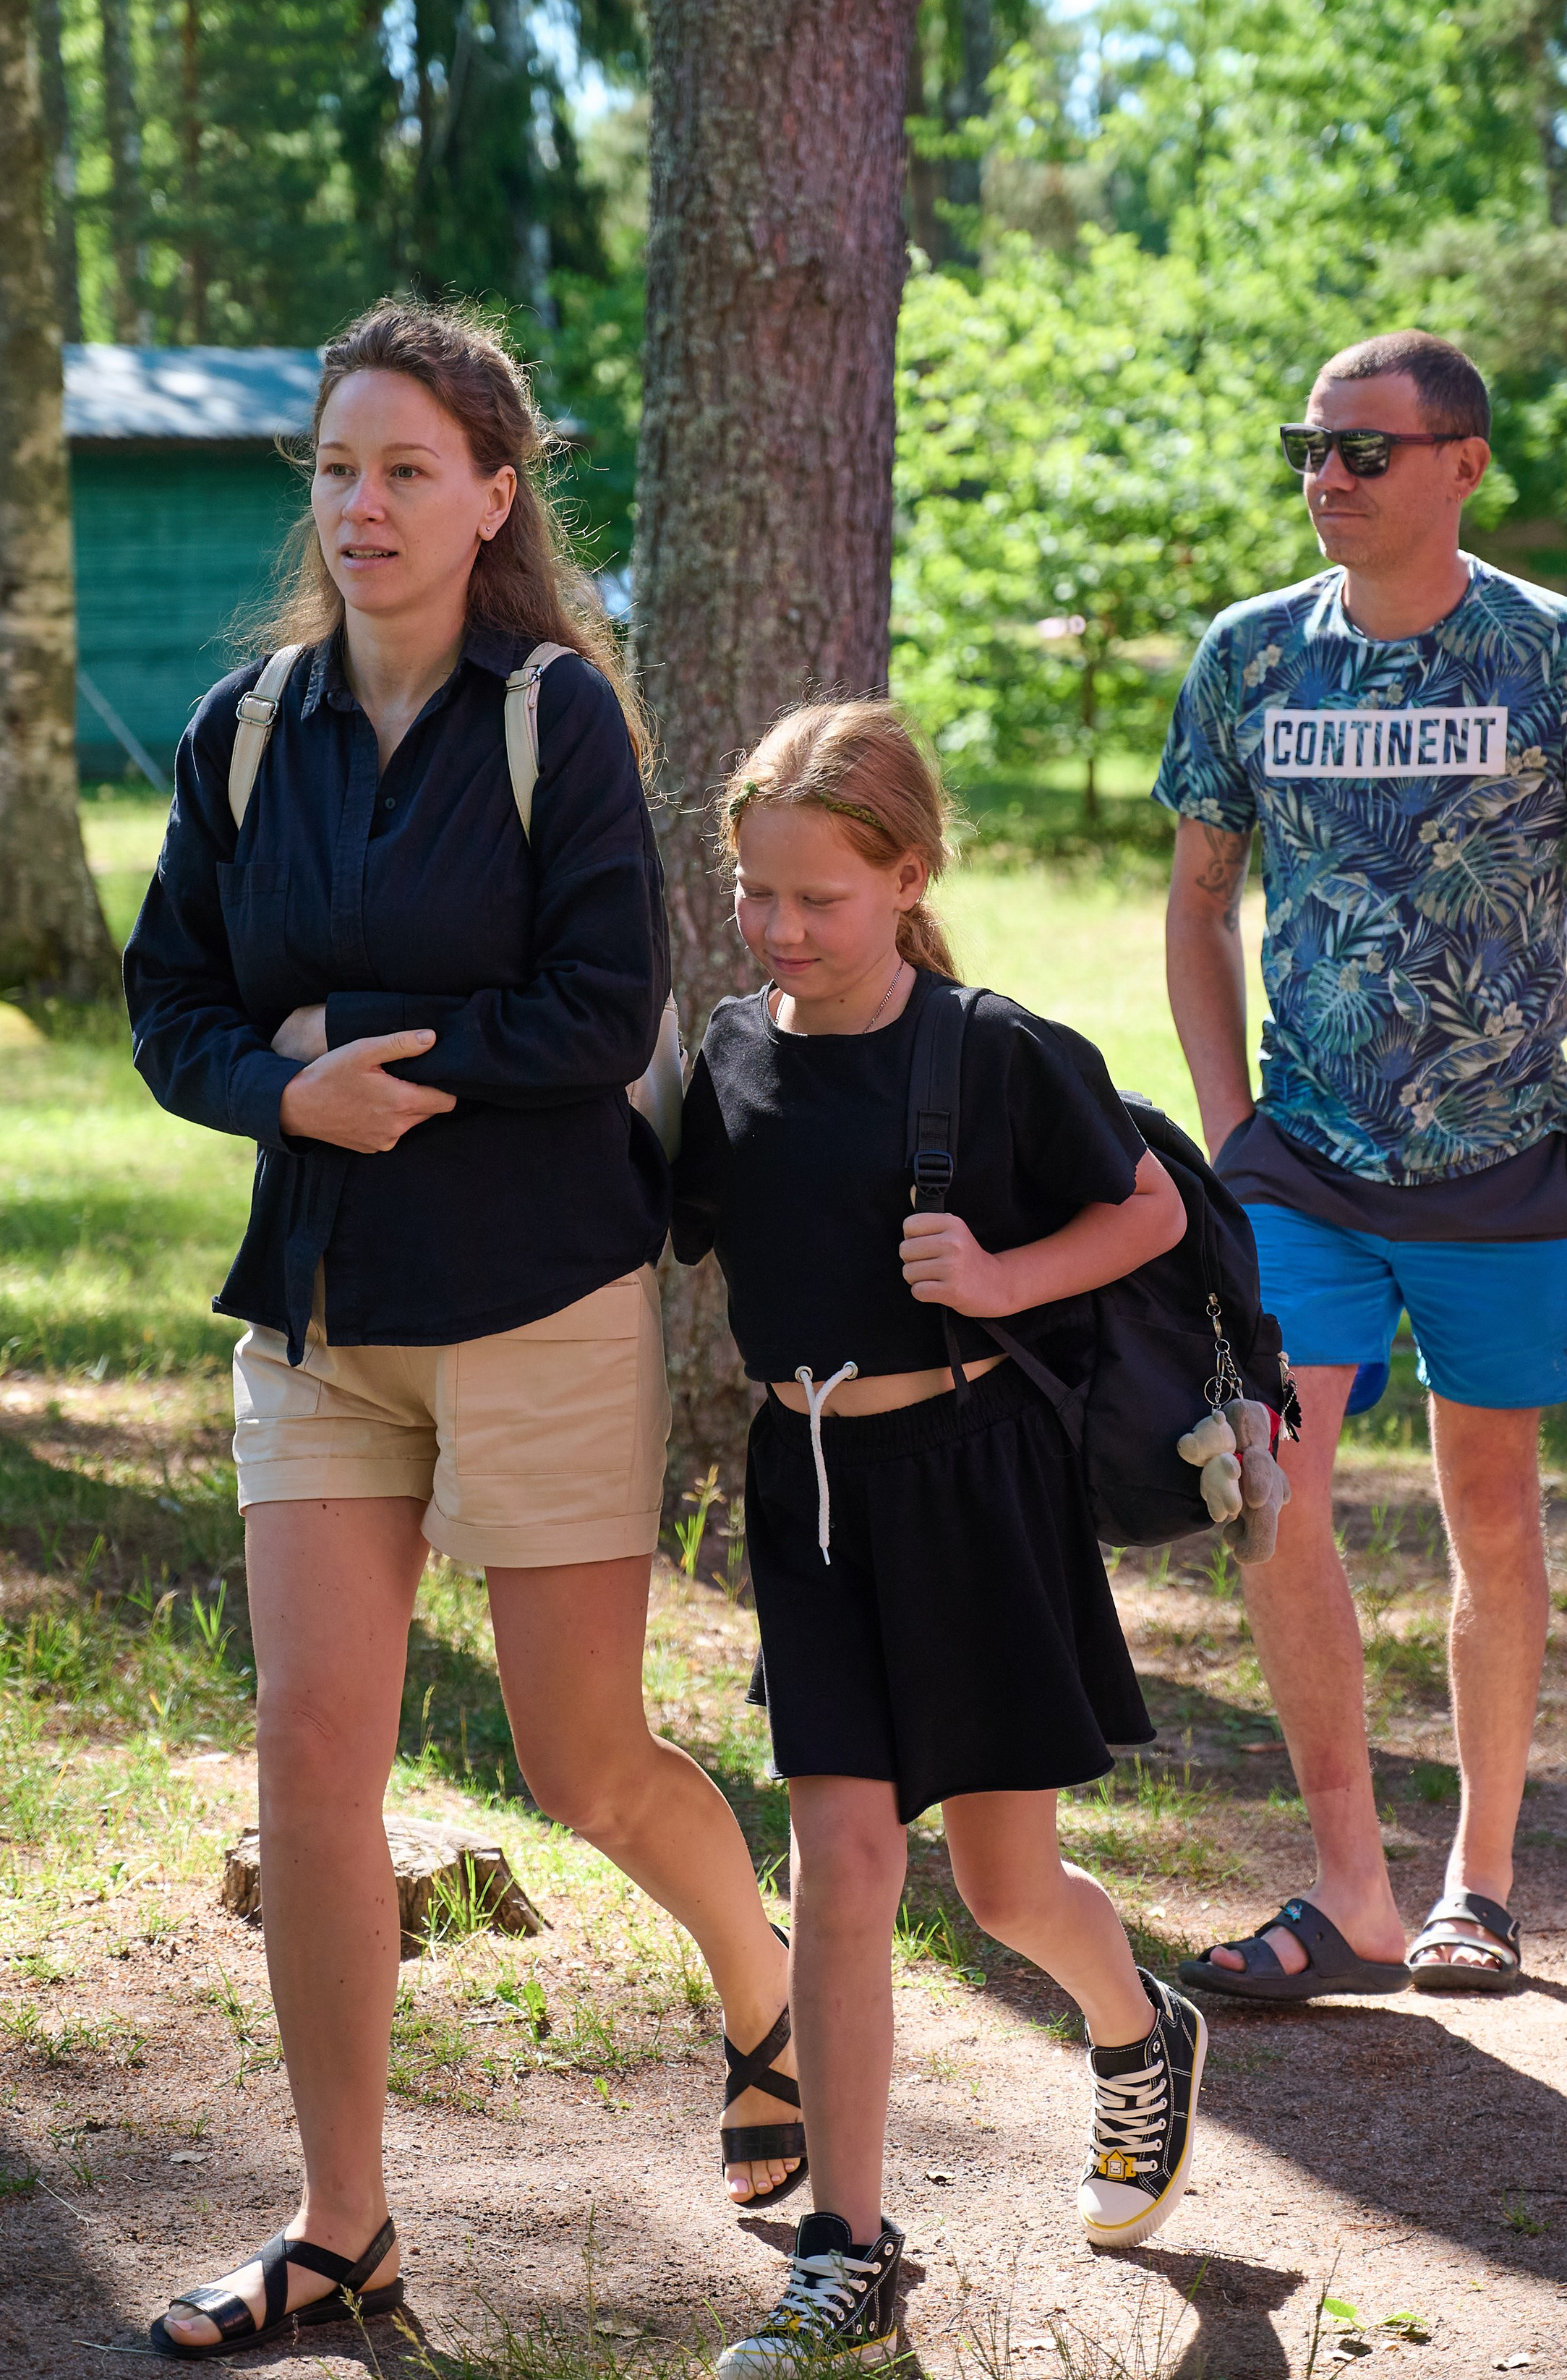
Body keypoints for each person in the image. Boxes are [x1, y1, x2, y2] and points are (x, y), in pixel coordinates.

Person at [124, 299, 803, 2361]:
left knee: (581, 1760)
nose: (363, 505)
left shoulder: (554, 717)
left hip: (541, 1301)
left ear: (494, 496)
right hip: (323, 1313)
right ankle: (344, 2228)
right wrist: (281, 1088)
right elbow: (173, 1008)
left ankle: (764, 1987)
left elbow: (607, 1012)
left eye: (408, 468)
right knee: (308, 1765)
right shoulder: (245, 732)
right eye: (337, 468)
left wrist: (358, 1045)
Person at [671, 701, 1208, 2377]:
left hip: (975, 1488)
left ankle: (1134, 2028)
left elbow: (1150, 1207)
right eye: (756, 895)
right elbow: (663, 1224)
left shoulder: (991, 1048)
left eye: (817, 898)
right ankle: (847, 2250)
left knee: (999, 1882)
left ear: (905, 879)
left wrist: (994, 1279)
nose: (780, 929)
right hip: (807, 1491)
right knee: (839, 1859)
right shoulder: (724, 1053)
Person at [1157, 327, 1567, 2000]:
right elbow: (1193, 899)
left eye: (1361, 450)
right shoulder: (1246, 658)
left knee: (1492, 1512)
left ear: (1459, 461)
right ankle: (1346, 1882)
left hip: (1507, 1167)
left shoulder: (1563, 655)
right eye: (1305, 445)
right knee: (1276, 1495)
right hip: (1298, 1169)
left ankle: (1480, 1876)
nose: (1324, 476)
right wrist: (1227, 1125)